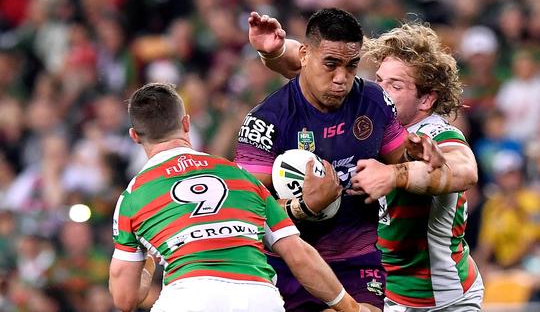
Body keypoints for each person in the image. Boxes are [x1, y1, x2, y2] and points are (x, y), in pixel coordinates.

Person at [248, 12, 483, 311]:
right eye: (379, 81)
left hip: (444, 296)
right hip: (384, 292)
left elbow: (465, 170)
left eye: (396, 86)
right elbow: (313, 64)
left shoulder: (433, 133)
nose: (381, 92)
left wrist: (395, 174)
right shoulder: (367, 118)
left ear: (426, 100)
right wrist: (275, 51)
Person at [109, 83, 368, 312]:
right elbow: (298, 254)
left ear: (134, 136)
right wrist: (351, 308)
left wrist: (149, 262)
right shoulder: (240, 176)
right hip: (259, 297)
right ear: (186, 123)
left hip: (189, 297)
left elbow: (126, 300)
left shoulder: (133, 196)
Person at [235, 8, 417, 312]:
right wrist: (302, 207)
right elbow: (246, 214)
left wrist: (413, 163)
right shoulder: (264, 122)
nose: (341, 78)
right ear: (304, 54)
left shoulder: (374, 101)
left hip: (355, 258)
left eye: (351, 65)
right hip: (287, 263)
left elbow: (405, 162)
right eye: (331, 64)